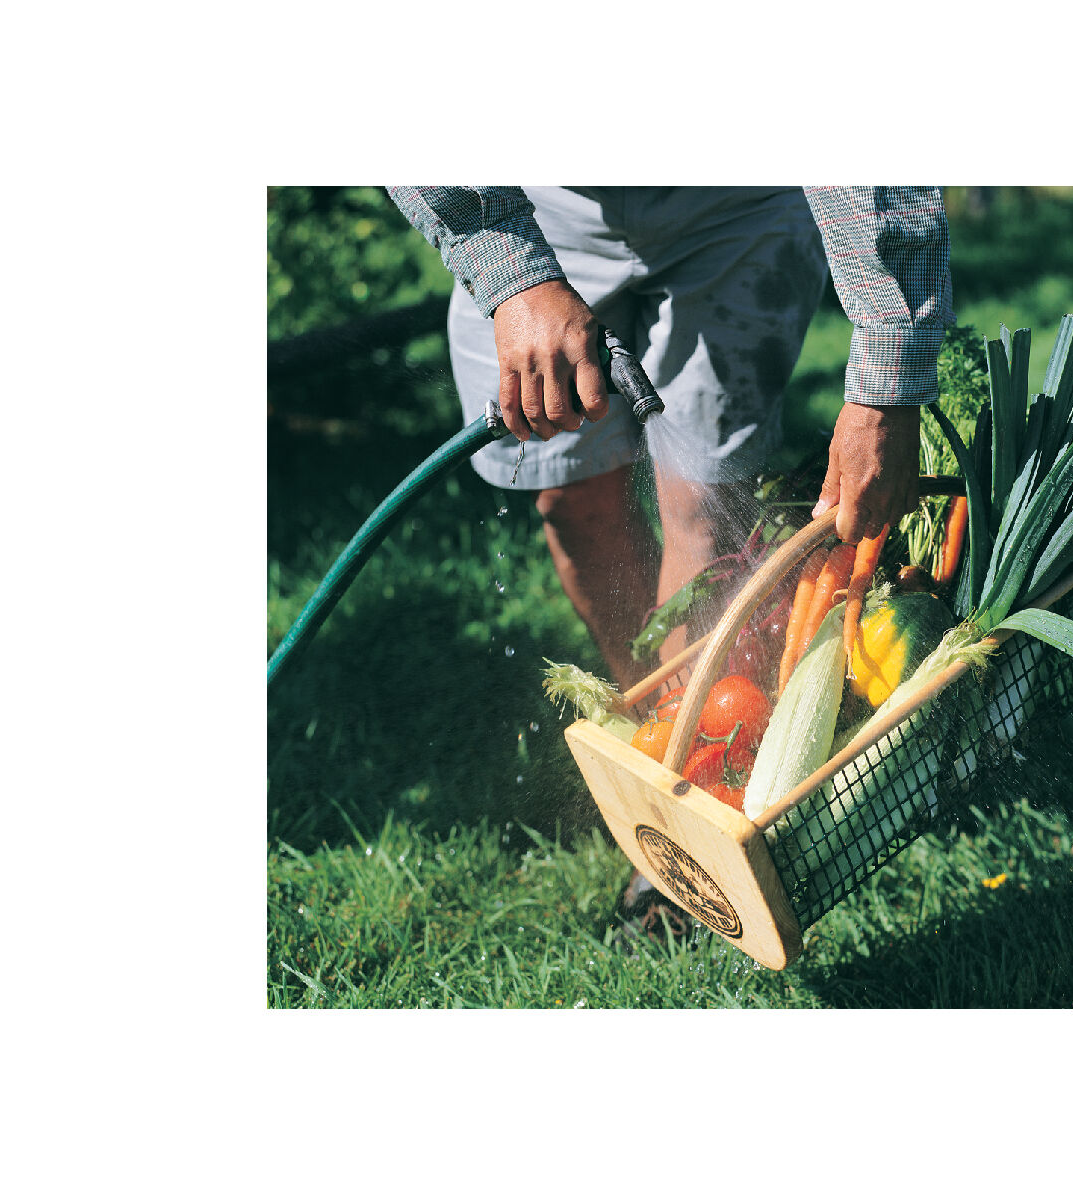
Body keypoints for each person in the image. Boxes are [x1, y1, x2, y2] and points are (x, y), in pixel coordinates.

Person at [388, 186, 953, 936]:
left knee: (702, 512)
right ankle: (670, 741)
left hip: (733, 205)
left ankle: (689, 810)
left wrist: (888, 375)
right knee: (571, 504)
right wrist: (507, 264)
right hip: (539, 200)